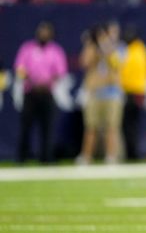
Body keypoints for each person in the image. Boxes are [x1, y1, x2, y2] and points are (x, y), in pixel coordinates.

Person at [13, 21, 67, 164]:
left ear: (51, 35)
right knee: (26, 127)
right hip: (30, 92)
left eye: (46, 32)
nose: (44, 34)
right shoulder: (27, 48)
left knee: (47, 128)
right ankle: (21, 158)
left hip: (47, 93)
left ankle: (46, 158)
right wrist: (32, 81)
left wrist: (47, 82)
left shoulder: (56, 50)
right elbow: (20, 68)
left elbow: (60, 71)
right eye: (42, 31)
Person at [76, 22, 124, 165]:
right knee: (91, 127)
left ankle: (111, 156)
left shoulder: (118, 48)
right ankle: (86, 156)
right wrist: (94, 48)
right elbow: (84, 63)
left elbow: (118, 65)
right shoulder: (91, 48)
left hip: (112, 93)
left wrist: (107, 49)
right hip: (95, 93)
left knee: (112, 127)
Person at [120, 24, 146, 161]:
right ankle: (131, 152)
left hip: (134, 92)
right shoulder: (138, 50)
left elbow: (126, 71)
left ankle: (132, 153)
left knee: (130, 125)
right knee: (130, 125)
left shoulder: (136, 50)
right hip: (134, 91)